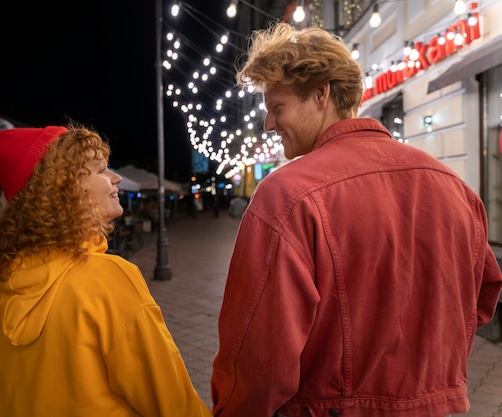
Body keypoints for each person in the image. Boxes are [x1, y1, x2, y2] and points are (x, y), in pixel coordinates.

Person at [210, 23, 502, 417]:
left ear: (320, 93)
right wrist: (434, 373)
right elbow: (481, 297)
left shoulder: (287, 195)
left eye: (277, 108)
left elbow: (258, 354)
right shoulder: (453, 186)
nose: (269, 124)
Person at [0, 124, 211, 417]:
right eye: (100, 170)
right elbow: (176, 406)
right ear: (63, 190)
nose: (116, 177)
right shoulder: (108, 280)